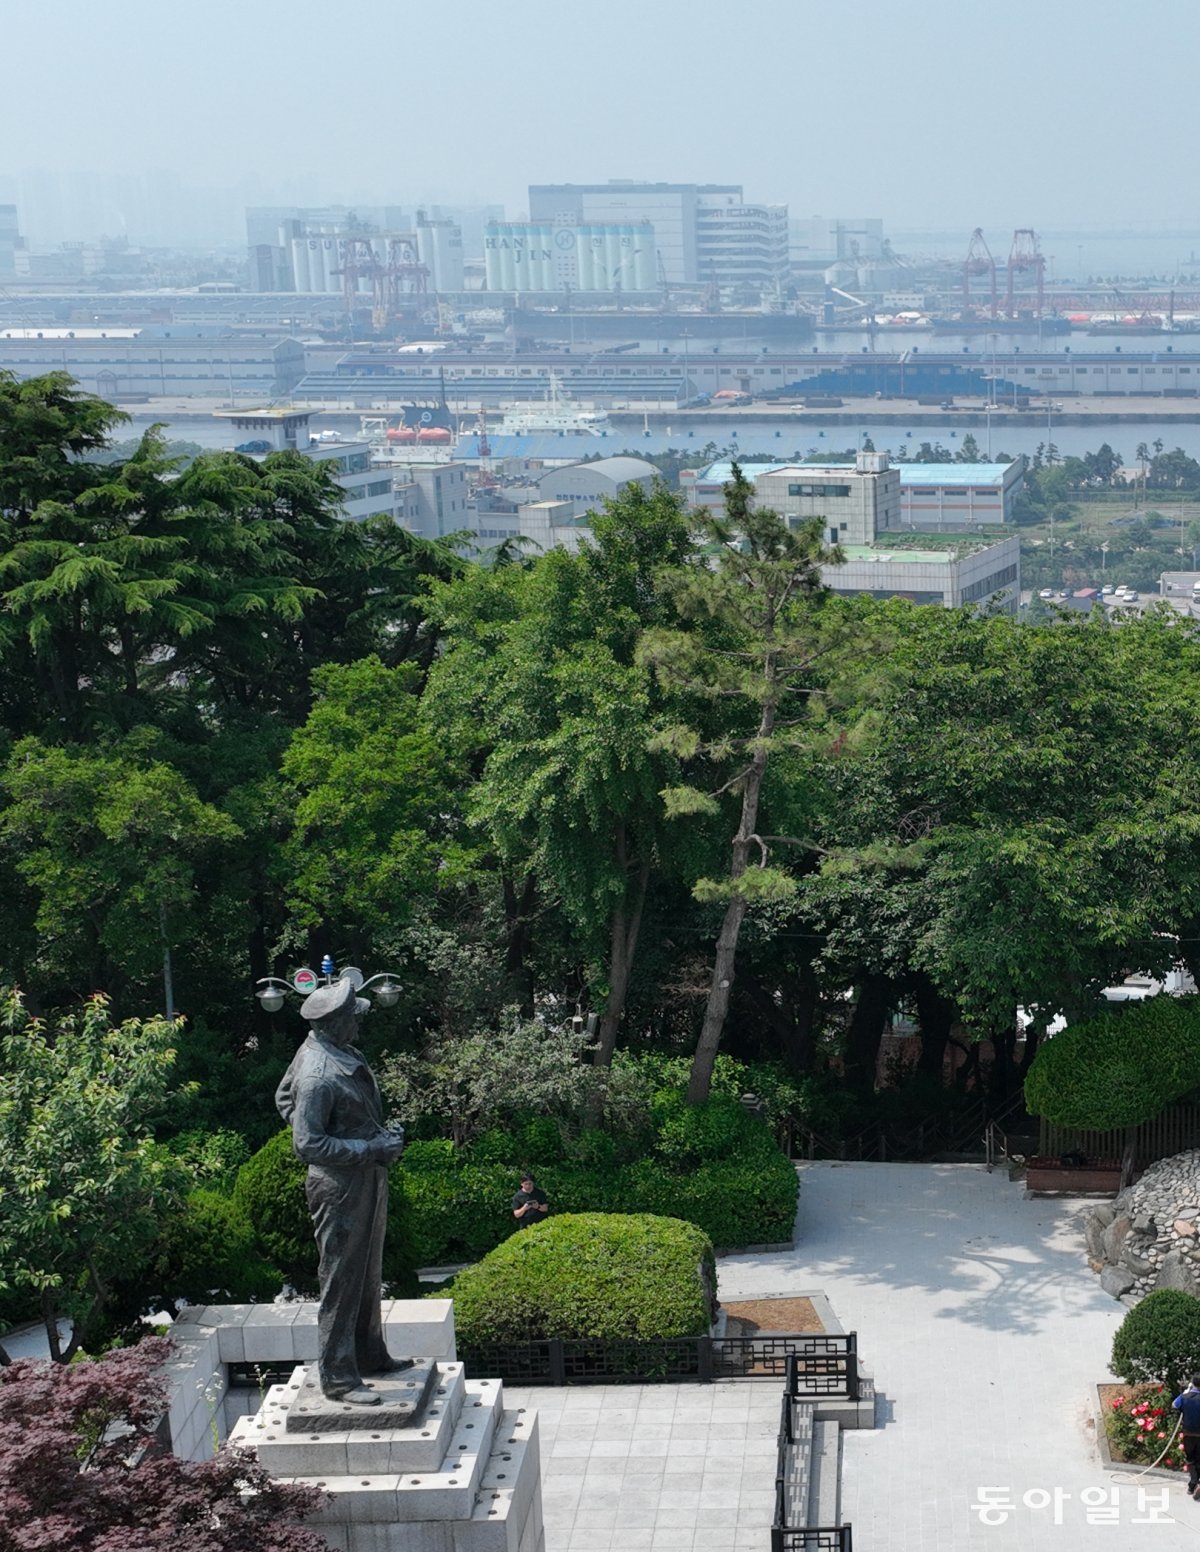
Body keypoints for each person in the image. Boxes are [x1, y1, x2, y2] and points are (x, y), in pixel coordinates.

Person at [276, 977, 412, 1405]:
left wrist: (367, 1136)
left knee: (368, 1272)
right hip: (340, 1188)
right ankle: (337, 1376)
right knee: (341, 1279)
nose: (360, 1024)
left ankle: (369, 1355)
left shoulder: (335, 1051)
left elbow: (283, 1098)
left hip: (364, 1178)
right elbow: (307, 1143)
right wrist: (369, 1146)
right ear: (334, 1023)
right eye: (354, 1017)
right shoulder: (318, 1073)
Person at [1172, 1375, 1200, 1497]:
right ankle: (1195, 1484)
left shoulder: (1184, 1397)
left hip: (1189, 1434)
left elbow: (1174, 1405)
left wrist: (1185, 1392)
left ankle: (1193, 1484)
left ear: (1192, 1383)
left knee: (1190, 1459)